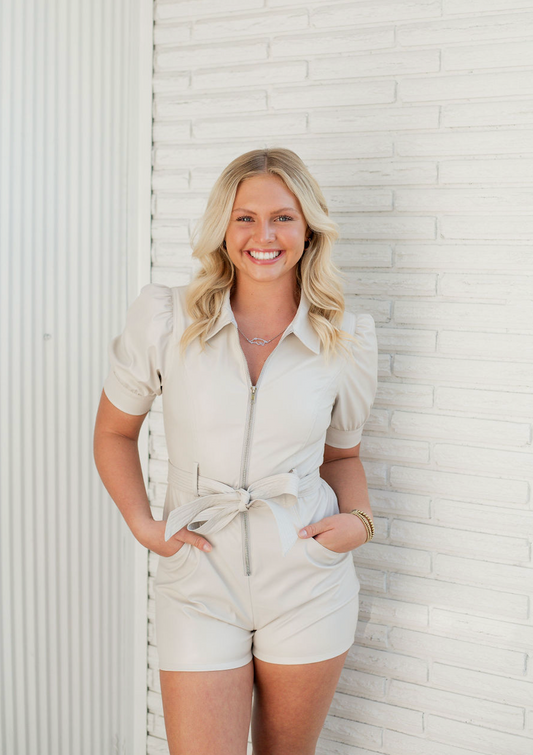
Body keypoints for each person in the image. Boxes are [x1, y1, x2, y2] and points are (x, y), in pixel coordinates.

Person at [93, 147, 378, 755]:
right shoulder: (167, 319)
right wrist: (145, 525)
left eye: (283, 216)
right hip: (198, 581)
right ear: (223, 227)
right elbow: (114, 432)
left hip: (307, 582)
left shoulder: (345, 337)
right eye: (245, 217)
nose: (264, 235)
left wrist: (359, 523)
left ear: (308, 229)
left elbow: (343, 458)